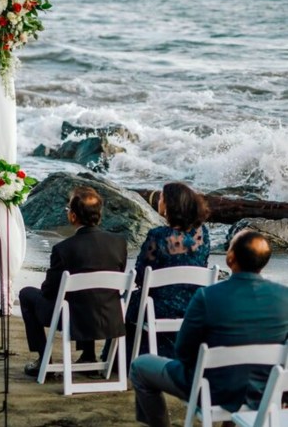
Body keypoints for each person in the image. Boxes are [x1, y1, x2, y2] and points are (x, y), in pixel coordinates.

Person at [130, 231, 288, 427]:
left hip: (211, 389)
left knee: (139, 367)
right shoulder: (284, 297)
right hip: (263, 389)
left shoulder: (207, 296)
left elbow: (183, 352)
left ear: (230, 258)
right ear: (264, 261)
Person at [18, 186, 127, 376]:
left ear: (74, 217)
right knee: (90, 294)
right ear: (99, 215)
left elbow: (49, 291)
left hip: (74, 319)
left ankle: (44, 359)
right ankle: (88, 355)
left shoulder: (64, 249)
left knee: (27, 294)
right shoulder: (119, 242)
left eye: (69, 209)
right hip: (110, 316)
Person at [126, 182, 211, 360]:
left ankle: (127, 358)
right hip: (193, 304)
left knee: (125, 303)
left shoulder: (158, 235)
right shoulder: (202, 233)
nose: (159, 201)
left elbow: (141, 275)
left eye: (162, 198)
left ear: (170, 205)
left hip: (159, 307)